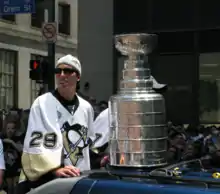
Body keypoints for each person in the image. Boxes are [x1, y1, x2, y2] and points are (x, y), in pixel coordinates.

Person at [18, 54, 94, 192]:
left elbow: (89, 145)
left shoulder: (86, 108)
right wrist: (55, 169)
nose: (62, 75)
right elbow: (35, 146)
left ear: (78, 77)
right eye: (58, 71)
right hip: (49, 182)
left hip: (80, 180)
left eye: (68, 71)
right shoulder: (42, 103)